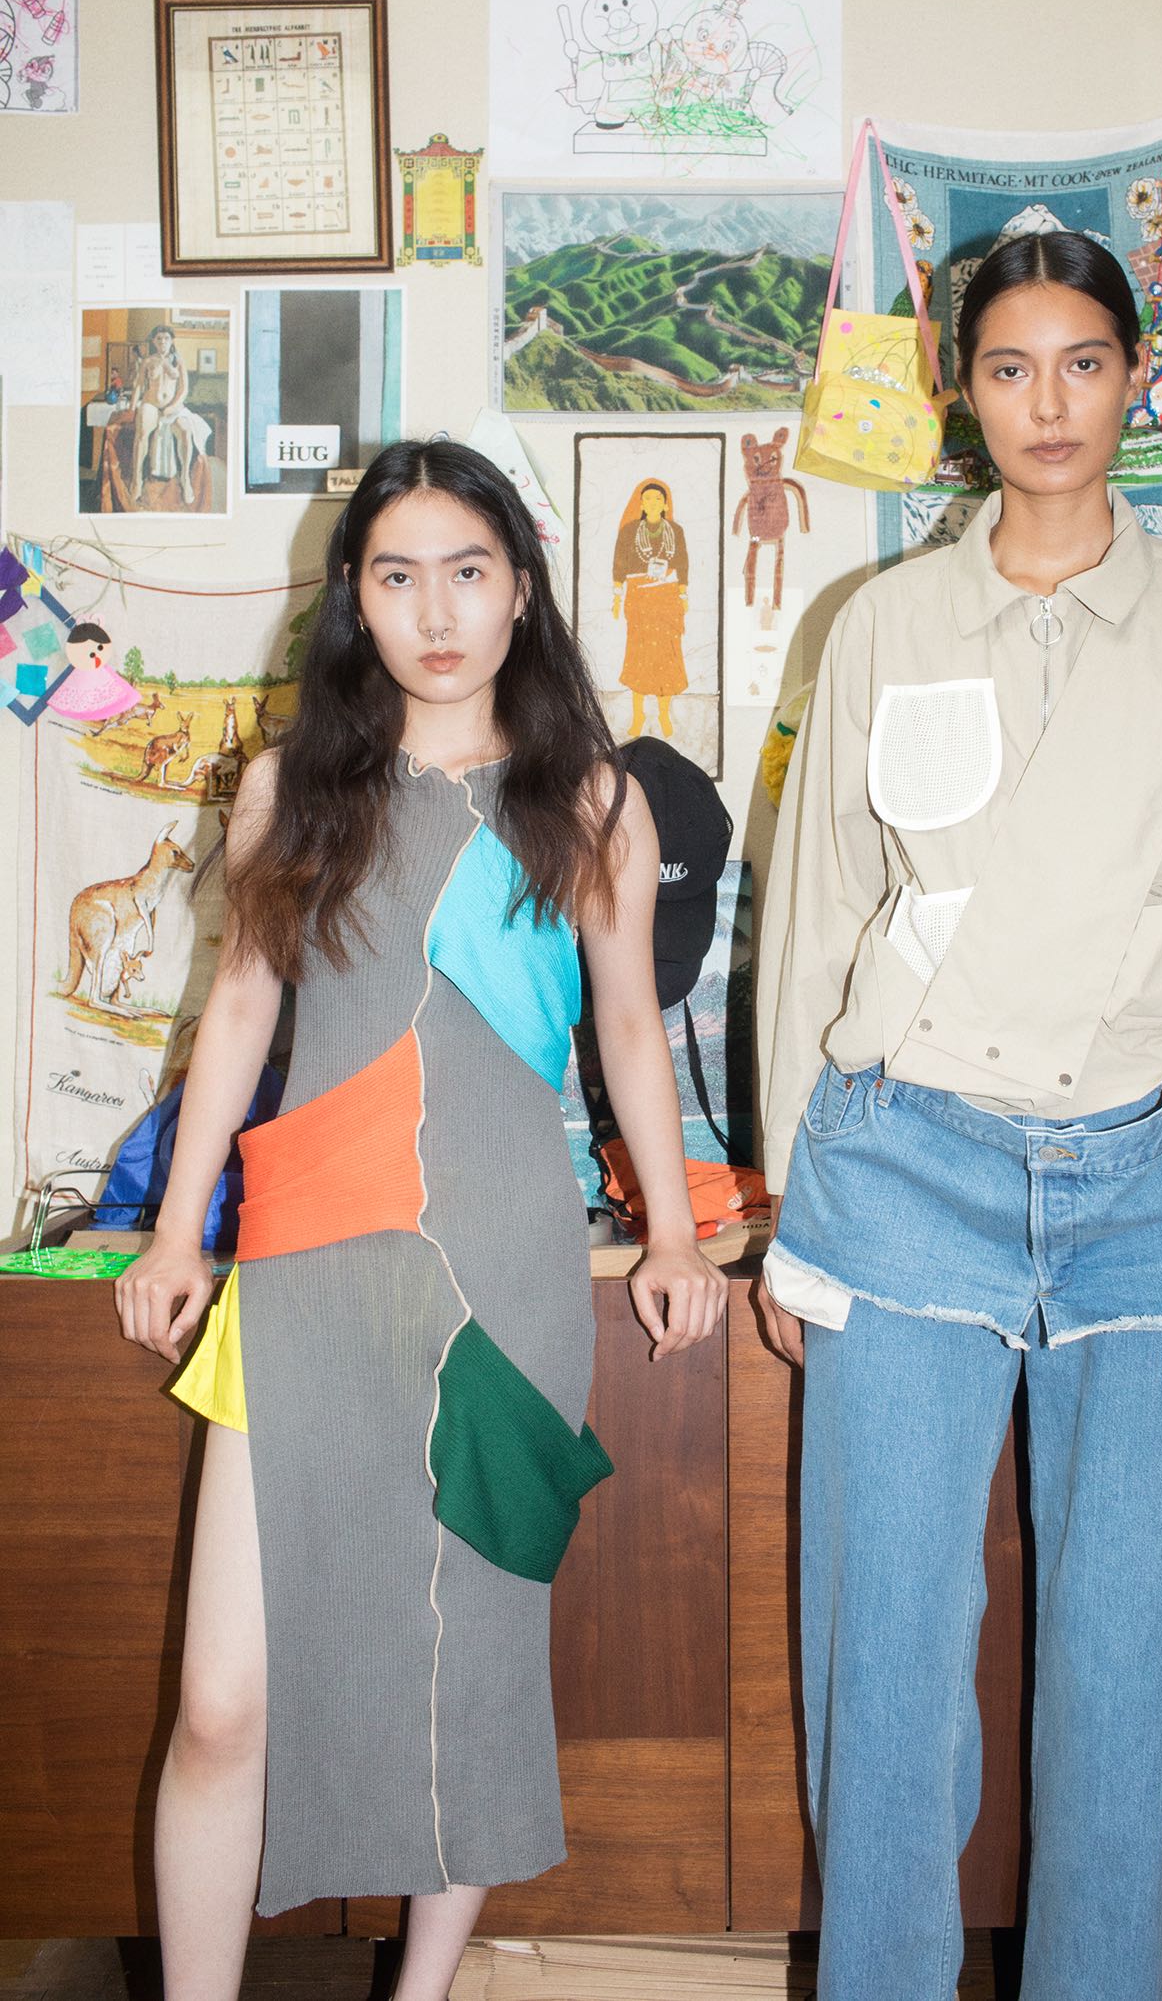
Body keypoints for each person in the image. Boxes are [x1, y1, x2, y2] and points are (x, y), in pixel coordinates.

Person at [755, 230, 1162, 2001]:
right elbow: (816, 918)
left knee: (1124, 1665)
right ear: (963, 394)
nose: (1048, 404)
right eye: (1010, 368)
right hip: (904, 1170)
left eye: (1083, 362)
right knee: (883, 1661)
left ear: (1135, 379)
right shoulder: (881, 624)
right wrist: (797, 1202)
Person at [115, 439, 726, 2001]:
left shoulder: (593, 798)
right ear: (354, 597)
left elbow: (631, 1030)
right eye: (398, 576)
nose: (436, 612)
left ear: (521, 589)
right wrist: (177, 1229)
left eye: (468, 572)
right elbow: (239, 1011)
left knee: (467, 1669)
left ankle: (423, 1990)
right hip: (304, 1265)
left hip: (503, 1272)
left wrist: (670, 1232)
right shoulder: (287, 790)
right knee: (222, 1699)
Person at [611, 476, 689, 739]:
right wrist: (617, 596)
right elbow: (619, 563)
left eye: (658, 498)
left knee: (667, 656)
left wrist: (683, 594)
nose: (653, 502)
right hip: (639, 599)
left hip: (666, 597)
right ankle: (639, 715)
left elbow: (682, 562)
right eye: (648, 498)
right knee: (639, 656)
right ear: (641, 504)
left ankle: (664, 713)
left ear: (665, 503)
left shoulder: (675, 531)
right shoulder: (630, 531)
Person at [128, 323, 212, 509]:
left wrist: (173, 407)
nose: (163, 342)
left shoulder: (178, 361)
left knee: (185, 431)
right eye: (159, 339)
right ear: (154, 341)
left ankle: (185, 479)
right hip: (151, 404)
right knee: (142, 434)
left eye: (166, 338)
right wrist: (132, 406)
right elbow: (139, 385)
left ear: (171, 340)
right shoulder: (148, 361)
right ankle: (136, 480)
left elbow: (184, 389)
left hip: (173, 408)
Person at [45, 619, 141, 724]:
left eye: (99, 647)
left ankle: (103, 715)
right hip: (78, 676)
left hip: (95, 674)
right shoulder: (74, 662)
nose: (94, 654)